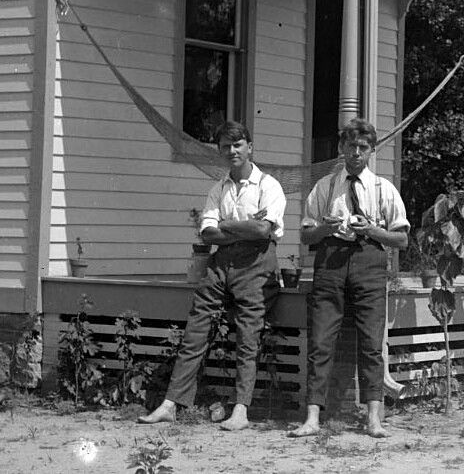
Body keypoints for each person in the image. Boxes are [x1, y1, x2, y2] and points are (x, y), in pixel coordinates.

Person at [138, 121, 286, 430]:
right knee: (196, 326)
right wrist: (241, 227)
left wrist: (227, 225)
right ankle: (170, 404)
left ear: (249, 147)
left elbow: (263, 230)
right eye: (225, 146)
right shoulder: (219, 188)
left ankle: (241, 410)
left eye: (237, 144)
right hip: (221, 265)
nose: (231, 151)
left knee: (248, 333)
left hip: (257, 266)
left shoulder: (268, 186)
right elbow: (207, 233)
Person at [288, 118, 409, 439]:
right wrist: (326, 228)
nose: (356, 153)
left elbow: (401, 239)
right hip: (330, 262)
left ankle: (373, 417)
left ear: (371, 151)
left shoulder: (383, 189)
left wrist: (372, 230)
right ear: (341, 148)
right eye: (350, 146)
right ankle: (312, 417)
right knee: (321, 339)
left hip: (369, 262)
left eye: (363, 147)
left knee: (371, 342)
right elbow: (305, 235)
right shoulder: (326, 187)